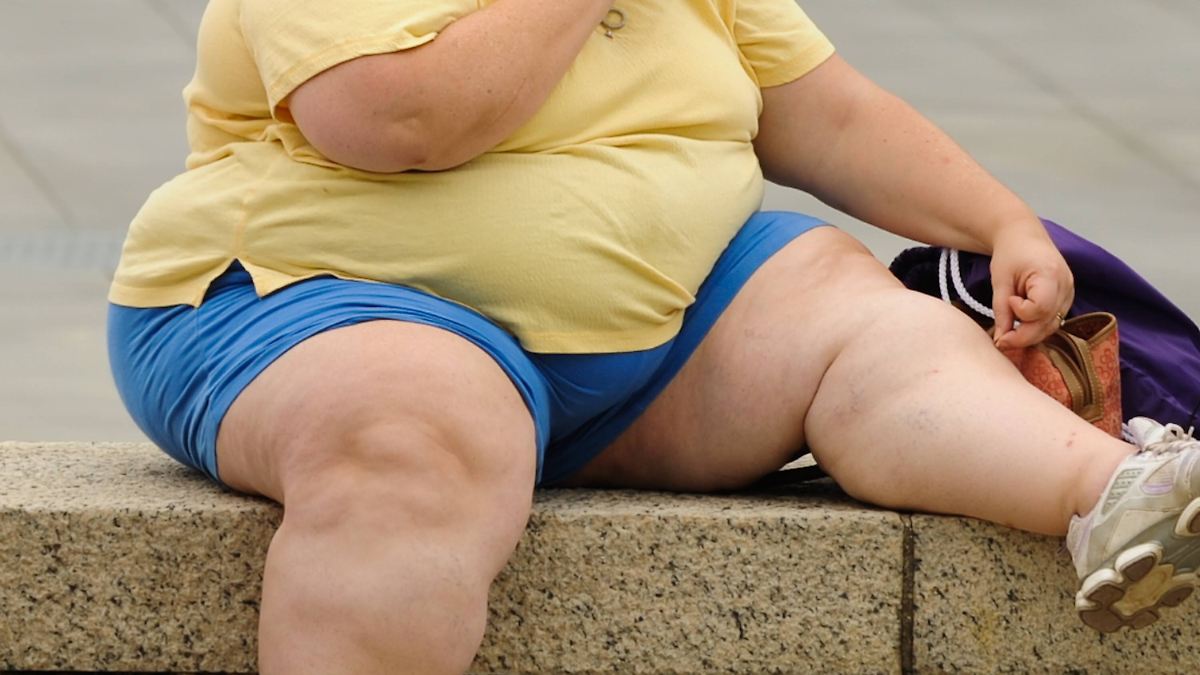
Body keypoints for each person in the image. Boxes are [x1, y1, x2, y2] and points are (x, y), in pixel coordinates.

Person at [106, 0, 1200, 671]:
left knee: (845, 299)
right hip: (319, 303)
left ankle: (1111, 492)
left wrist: (999, 221)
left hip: (660, 343)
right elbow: (398, 119)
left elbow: (825, 113)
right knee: (420, 429)